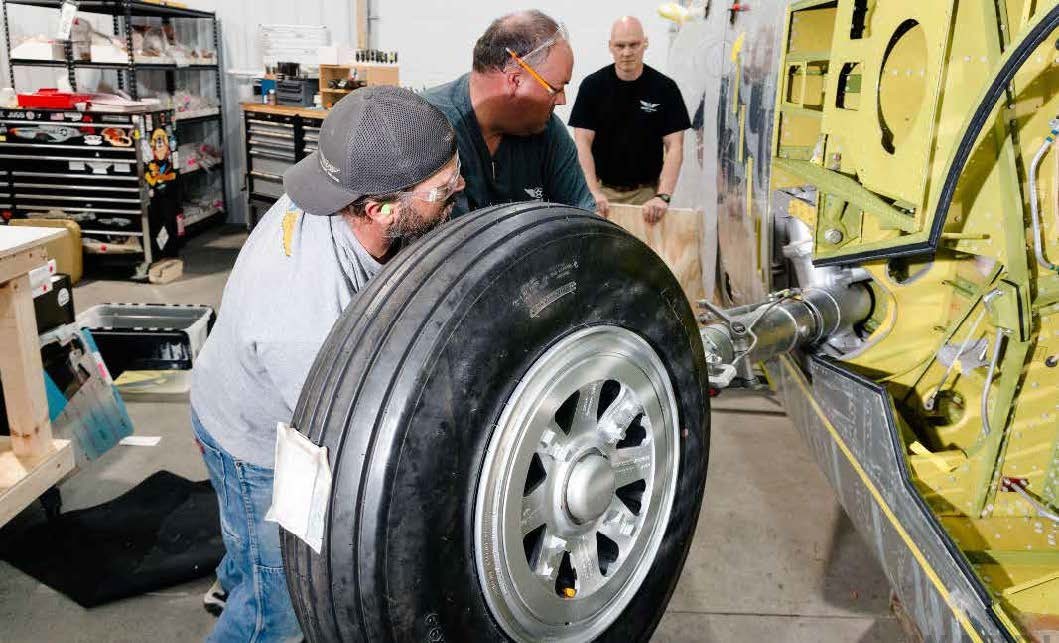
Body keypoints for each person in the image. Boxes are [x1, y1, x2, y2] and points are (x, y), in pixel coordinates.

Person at [189, 86, 462, 642]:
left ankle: (239, 573)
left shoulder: (337, 183)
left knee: (246, 550)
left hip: (233, 385)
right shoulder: (302, 310)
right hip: (256, 446)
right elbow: (349, 445)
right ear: (381, 208)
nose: (460, 189)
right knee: (279, 608)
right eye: (443, 188)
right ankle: (252, 602)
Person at [422, 10, 595, 216]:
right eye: (556, 89)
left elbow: (585, 220)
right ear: (515, 79)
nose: (562, 100)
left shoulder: (549, 132)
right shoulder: (427, 126)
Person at [569, 16, 691, 222]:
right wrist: (591, 192)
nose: (627, 52)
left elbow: (675, 146)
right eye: (620, 45)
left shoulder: (665, 89)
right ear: (610, 47)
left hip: (647, 196)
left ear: (645, 43)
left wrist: (663, 196)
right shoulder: (592, 87)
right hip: (602, 193)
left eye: (634, 44)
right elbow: (582, 144)